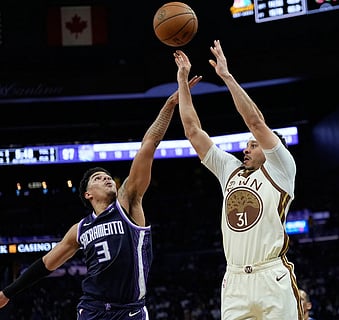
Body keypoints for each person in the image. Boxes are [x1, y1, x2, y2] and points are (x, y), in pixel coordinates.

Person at [0, 76, 201, 319]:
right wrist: (8, 292)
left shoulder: (128, 202)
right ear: (88, 194)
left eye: (107, 176)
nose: (106, 178)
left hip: (130, 310)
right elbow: (46, 264)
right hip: (92, 309)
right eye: (98, 178)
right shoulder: (80, 229)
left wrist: (169, 105)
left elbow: (149, 144)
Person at [173, 40, 302, 319]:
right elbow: (193, 131)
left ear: (270, 148)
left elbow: (256, 122)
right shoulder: (230, 171)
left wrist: (226, 77)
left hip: (271, 277)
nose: (246, 148)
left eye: (253, 145)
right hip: (234, 280)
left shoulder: (281, 168)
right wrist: (182, 81)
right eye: (247, 145)